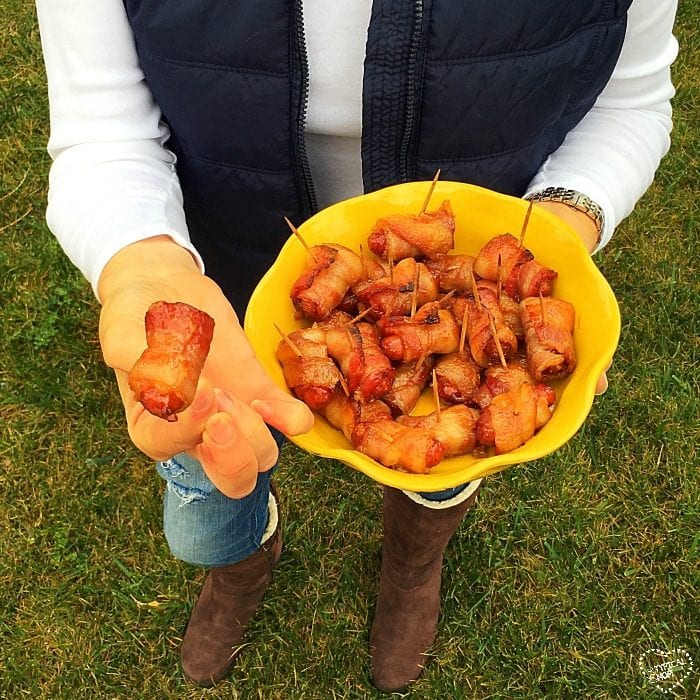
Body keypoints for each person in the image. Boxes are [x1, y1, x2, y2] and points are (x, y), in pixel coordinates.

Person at [35, 0, 678, 692]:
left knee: (447, 454)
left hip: (472, 288)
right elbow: (103, 133)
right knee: (208, 481)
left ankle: (412, 564)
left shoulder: (465, 336)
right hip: (217, 286)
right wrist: (140, 260)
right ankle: (238, 565)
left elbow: (631, 99)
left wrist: (553, 230)